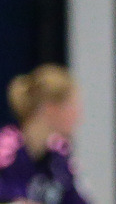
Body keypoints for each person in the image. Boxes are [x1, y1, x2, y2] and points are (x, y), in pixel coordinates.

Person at [0, 64, 89, 203]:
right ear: (50, 108)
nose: (79, 115)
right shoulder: (6, 150)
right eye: (72, 105)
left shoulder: (59, 156)